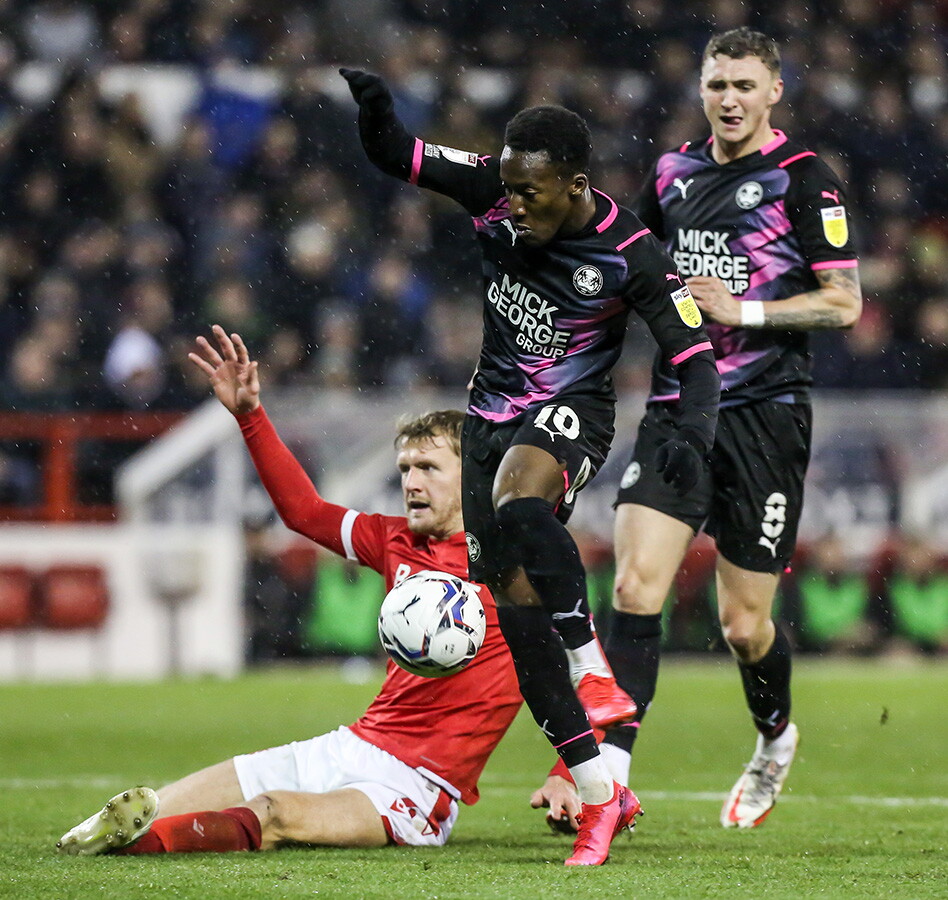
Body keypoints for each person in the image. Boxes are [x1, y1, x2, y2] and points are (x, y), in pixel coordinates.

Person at [340, 68, 720, 864]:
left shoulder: (631, 252)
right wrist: (376, 109)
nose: (512, 204)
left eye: (530, 193)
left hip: (571, 414)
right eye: (509, 188)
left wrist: (693, 435)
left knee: (522, 499)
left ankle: (593, 665)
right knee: (518, 628)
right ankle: (598, 796)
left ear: (575, 185)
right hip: (488, 422)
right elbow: (397, 155)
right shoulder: (491, 186)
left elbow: (693, 355)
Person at [56, 325, 527, 856]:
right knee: (164, 801)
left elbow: (581, 668)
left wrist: (565, 775)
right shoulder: (394, 538)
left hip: (415, 786)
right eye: (404, 469)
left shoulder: (513, 565)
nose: (411, 482)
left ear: (470, 477)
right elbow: (303, 512)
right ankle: (99, 839)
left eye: (427, 468)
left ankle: (135, 851)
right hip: (351, 745)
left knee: (274, 812)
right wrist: (249, 415)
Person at [602, 26, 862, 829]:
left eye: (745, 85)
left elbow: (844, 303)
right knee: (633, 586)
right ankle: (605, 780)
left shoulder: (804, 180)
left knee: (743, 626)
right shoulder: (671, 174)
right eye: (718, 84)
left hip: (766, 417)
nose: (730, 99)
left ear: (774, 91)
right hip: (681, 405)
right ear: (701, 90)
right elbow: (628, 266)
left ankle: (775, 737)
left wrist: (742, 310)